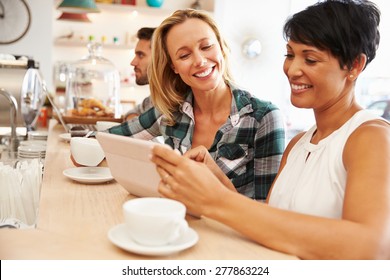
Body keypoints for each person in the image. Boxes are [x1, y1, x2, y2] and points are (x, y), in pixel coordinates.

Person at [151, 0, 390, 259]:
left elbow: (372, 247)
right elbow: (269, 222)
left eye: (310, 59)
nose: (292, 69)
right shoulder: (298, 144)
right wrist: (215, 179)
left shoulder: (371, 137)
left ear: (354, 66)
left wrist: (216, 201)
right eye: (290, 55)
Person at [106, 9, 286, 200]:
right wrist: (85, 146)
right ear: (173, 66)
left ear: (221, 47)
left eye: (207, 46)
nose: (200, 61)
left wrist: (213, 176)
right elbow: (106, 139)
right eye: (184, 55)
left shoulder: (263, 117)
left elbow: (267, 213)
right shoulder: (169, 111)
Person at [124, 27, 156, 120]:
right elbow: (133, 112)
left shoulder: (173, 100)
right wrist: (134, 119)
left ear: (160, 58)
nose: (133, 62)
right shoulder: (153, 98)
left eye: (141, 55)